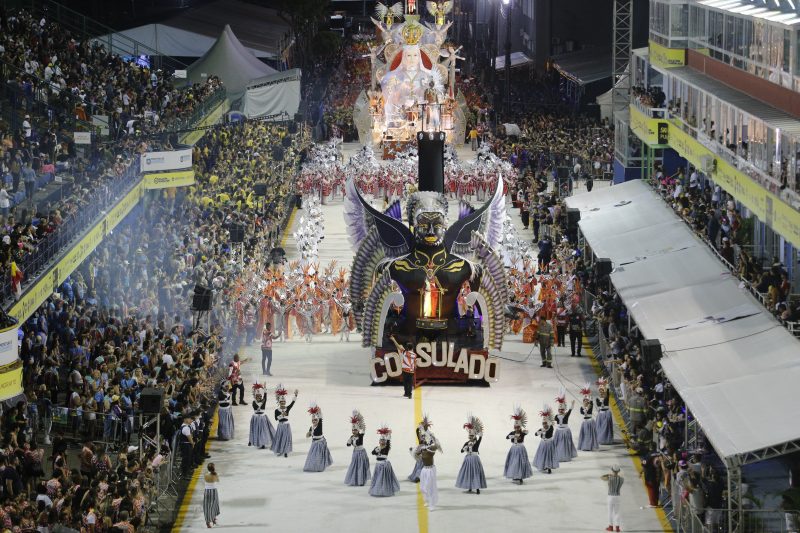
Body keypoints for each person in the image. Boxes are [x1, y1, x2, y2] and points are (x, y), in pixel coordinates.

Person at [455, 415, 486, 494]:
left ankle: (477, 488)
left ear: (474, 435)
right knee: (468, 473)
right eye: (470, 436)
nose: (471, 437)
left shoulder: (476, 442)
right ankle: (469, 486)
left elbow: (480, 438)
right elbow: (461, 451)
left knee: (475, 473)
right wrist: (465, 448)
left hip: (474, 459)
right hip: (468, 459)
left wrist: (480, 434)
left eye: (472, 435)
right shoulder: (467, 443)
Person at [413, 426, 441, 511]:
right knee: (423, 487)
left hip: (431, 470)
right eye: (423, 437)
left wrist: (430, 434)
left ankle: (432, 504)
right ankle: (427, 500)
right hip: (424, 469)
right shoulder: (422, 448)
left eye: (425, 437)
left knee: (430, 487)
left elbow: (437, 445)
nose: (424, 438)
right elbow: (416, 454)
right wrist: (420, 450)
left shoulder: (431, 449)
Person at [504, 406, 533, 485]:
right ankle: (514, 474)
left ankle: (520, 476)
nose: (516, 428)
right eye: (515, 427)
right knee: (513, 462)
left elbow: (527, 432)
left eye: (518, 427)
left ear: (520, 427)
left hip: (520, 449)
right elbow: (506, 437)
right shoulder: (512, 433)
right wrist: (512, 436)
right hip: (513, 449)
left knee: (519, 462)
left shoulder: (522, 432)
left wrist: (524, 432)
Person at [370, 426, 400, 497]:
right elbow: (372, 453)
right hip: (378, 465)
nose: (382, 441)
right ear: (379, 441)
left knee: (383, 479)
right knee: (378, 478)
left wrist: (389, 435)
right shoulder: (377, 448)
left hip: (383, 465)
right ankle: (378, 490)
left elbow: (388, 442)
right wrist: (376, 450)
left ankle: (384, 490)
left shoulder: (386, 448)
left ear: (385, 441)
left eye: (383, 440)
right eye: (381, 440)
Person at [303, 403, 333, 472]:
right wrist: (308, 434)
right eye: (313, 420)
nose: (314, 421)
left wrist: (319, 411)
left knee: (319, 456)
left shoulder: (319, 425)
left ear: (317, 421)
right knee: (313, 455)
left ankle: (319, 467)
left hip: (320, 443)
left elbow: (321, 417)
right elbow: (308, 435)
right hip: (314, 443)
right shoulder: (311, 427)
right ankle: (313, 465)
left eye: (315, 420)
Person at [344, 410, 370, 486]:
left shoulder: (360, 435)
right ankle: (355, 479)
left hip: (361, 453)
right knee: (355, 465)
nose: (353, 431)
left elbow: (363, 430)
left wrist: (359, 420)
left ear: (358, 430)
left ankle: (361, 480)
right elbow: (348, 445)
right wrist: (349, 442)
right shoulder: (352, 437)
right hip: (355, 453)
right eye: (353, 430)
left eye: (355, 430)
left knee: (361, 466)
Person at [271, 386, 298, 457]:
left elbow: (292, 403)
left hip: (286, 425)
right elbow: (276, 418)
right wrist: (282, 415)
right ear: (279, 402)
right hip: (280, 425)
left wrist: (295, 395)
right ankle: (280, 450)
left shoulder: (287, 408)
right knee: (280, 438)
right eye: (281, 402)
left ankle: (286, 451)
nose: (283, 403)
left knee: (286, 438)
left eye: (284, 401)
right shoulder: (276, 410)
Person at [533, 405, 558, 474]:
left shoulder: (551, 428)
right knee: (542, 454)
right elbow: (535, 434)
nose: (544, 425)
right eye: (543, 423)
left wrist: (544, 431)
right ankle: (543, 465)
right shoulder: (542, 428)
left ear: (548, 422)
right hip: (543, 443)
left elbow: (548, 434)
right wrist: (539, 432)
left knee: (548, 455)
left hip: (549, 443)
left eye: (545, 423)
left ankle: (549, 466)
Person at [248, 382, 274, 449]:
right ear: (255, 397)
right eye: (257, 396)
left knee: (263, 430)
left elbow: (265, 396)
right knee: (255, 430)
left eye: (260, 396)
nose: (259, 397)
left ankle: (262, 443)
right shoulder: (254, 402)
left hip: (262, 418)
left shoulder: (263, 401)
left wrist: (265, 389)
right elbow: (256, 406)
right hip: (256, 418)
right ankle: (251, 440)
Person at [553, 393, 578, 462]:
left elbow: (570, 410)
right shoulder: (556, 416)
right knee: (558, 443)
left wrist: (572, 405)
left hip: (565, 431)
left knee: (564, 444)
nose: (561, 410)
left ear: (564, 410)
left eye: (562, 409)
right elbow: (552, 420)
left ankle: (565, 455)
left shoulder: (566, 415)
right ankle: (557, 454)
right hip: (558, 431)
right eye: (559, 409)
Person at [602, 464, 624, 532]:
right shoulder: (622, 479)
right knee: (617, 512)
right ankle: (617, 528)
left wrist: (608, 474)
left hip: (610, 496)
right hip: (618, 496)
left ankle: (610, 527)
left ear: (612, 470)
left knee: (610, 512)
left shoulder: (609, 478)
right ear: (618, 471)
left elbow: (602, 477)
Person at [578, 384, 599, 451]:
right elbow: (581, 412)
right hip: (584, 422)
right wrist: (585, 409)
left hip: (590, 421)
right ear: (583, 401)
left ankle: (589, 446)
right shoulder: (582, 408)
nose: (585, 401)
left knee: (590, 434)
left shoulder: (590, 405)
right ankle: (585, 445)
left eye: (587, 400)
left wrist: (590, 398)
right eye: (584, 400)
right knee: (585, 434)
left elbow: (591, 403)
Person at [596, 377, 614, 445]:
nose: (601, 392)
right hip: (600, 414)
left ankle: (606, 439)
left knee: (606, 427)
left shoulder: (606, 397)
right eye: (600, 390)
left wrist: (607, 385)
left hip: (606, 413)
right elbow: (598, 406)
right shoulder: (598, 399)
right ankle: (600, 438)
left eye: (602, 390)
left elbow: (608, 392)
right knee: (600, 427)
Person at [203, 463, 220, 528]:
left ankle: (207, 522)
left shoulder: (205, 474)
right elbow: (217, 480)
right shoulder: (215, 474)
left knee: (207, 507)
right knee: (214, 505)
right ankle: (213, 518)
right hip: (213, 491)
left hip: (207, 491)